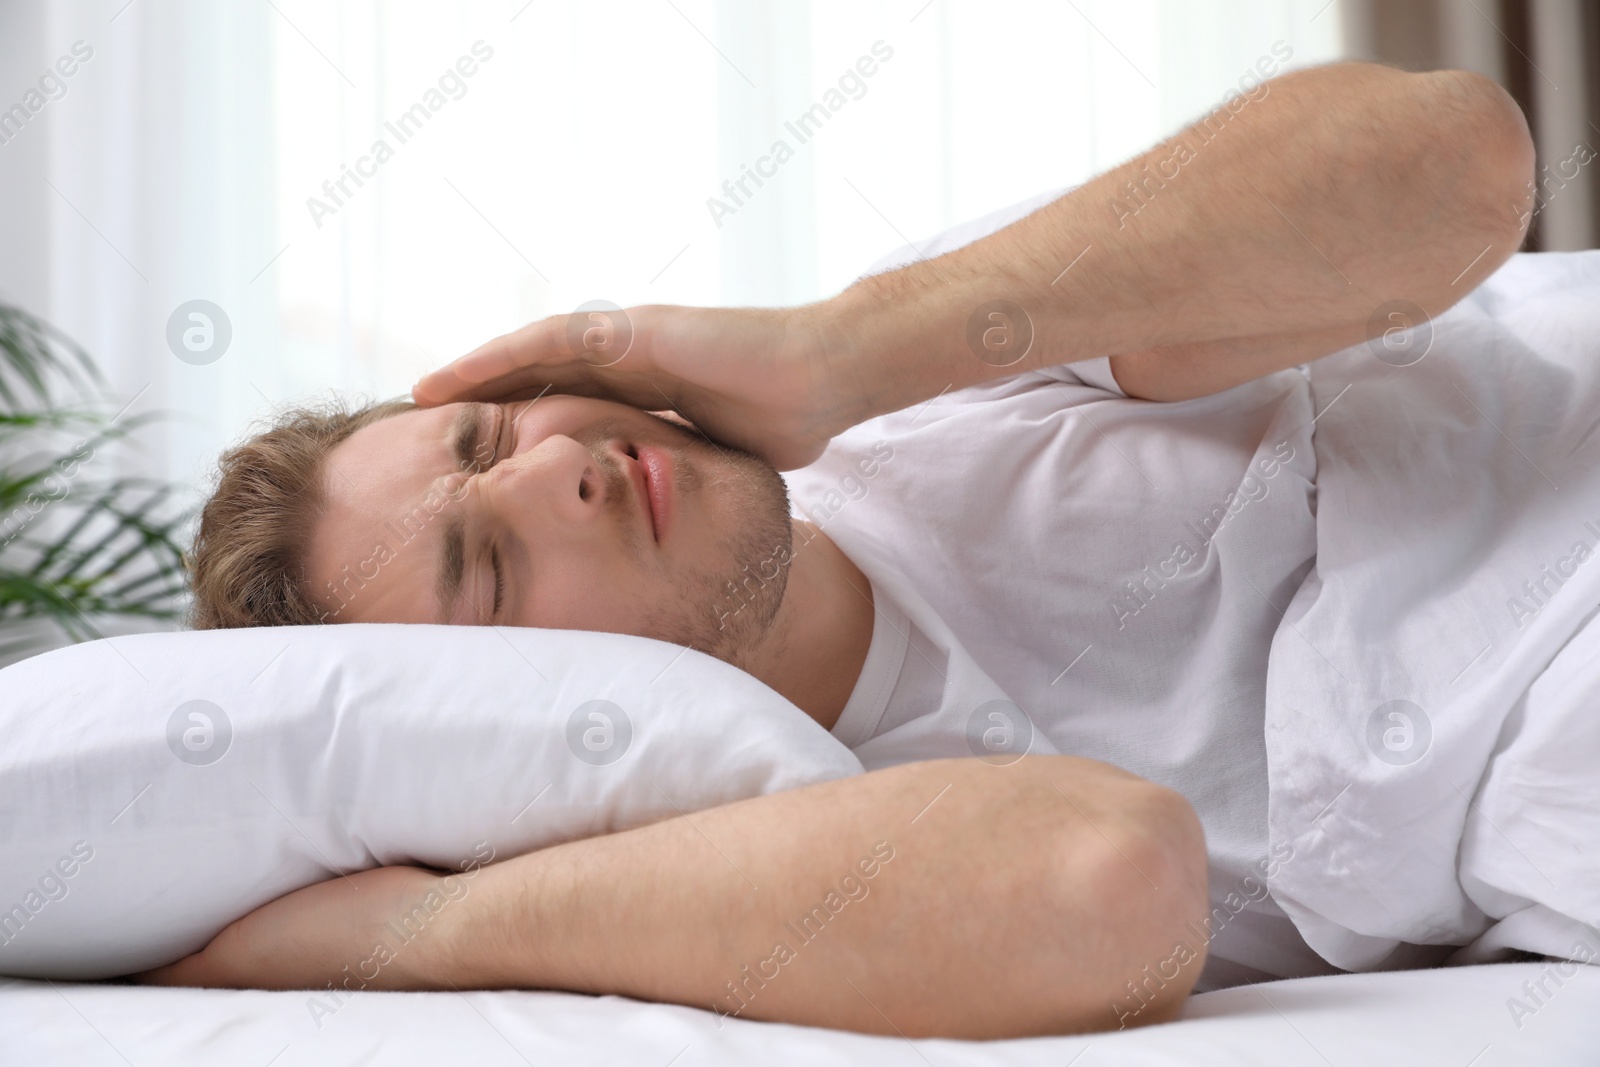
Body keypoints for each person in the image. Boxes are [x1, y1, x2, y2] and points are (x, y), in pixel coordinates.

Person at [151, 60, 1536, 1038]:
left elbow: (1458, 161)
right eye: (488, 571)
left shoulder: (924, 375)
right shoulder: (769, 856)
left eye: (493, 437)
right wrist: (424, 935)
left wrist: (846, 350)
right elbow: (1109, 881)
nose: (559, 473)